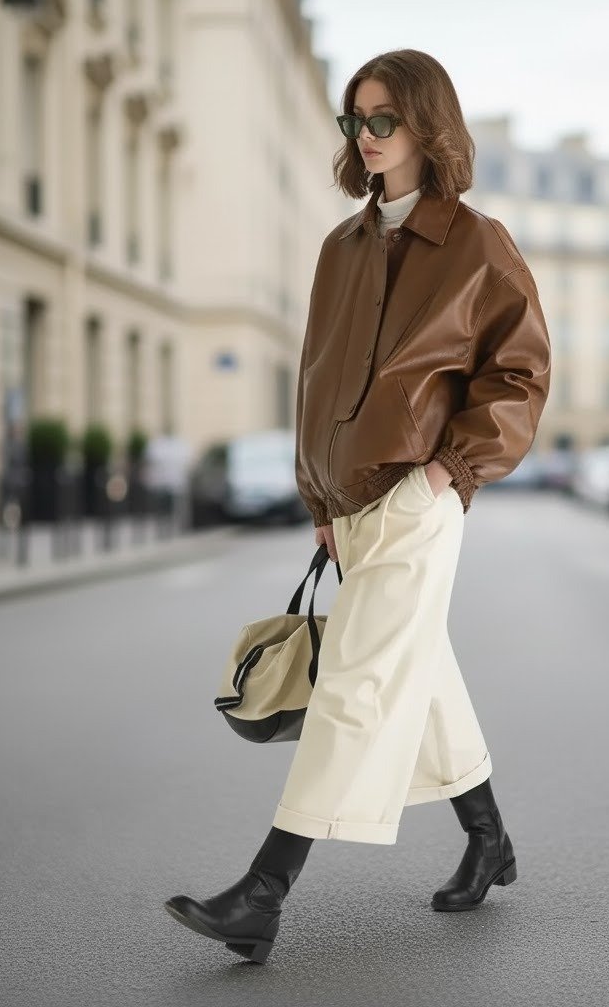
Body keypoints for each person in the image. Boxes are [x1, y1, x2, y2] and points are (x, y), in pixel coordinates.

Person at [165, 48, 551, 964]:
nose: (367, 137)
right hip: (349, 507)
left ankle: (264, 891)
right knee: (418, 671)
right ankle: (489, 838)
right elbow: (315, 379)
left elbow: (520, 372)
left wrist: (447, 474)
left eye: (383, 120)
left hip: (420, 498)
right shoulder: (342, 247)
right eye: (355, 121)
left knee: (357, 684)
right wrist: (319, 496)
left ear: (428, 125)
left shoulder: (478, 245)